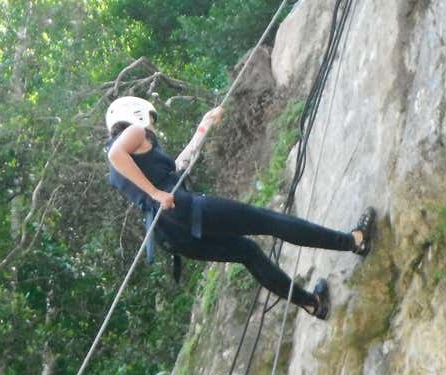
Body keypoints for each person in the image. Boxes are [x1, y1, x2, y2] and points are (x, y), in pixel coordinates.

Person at [104, 96, 375, 320]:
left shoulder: (119, 170)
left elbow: (175, 169)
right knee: (267, 221)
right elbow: (121, 158)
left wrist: (203, 127)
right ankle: (354, 241)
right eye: (150, 120)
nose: (151, 128)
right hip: (183, 210)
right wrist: (155, 192)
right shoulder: (132, 134)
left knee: (248, 253)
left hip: (170, 235)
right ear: (135, 114)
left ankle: (312, 304)